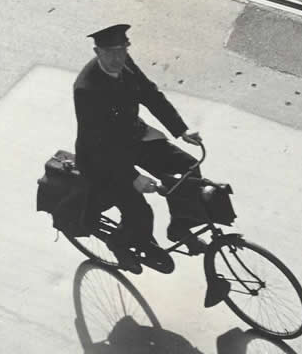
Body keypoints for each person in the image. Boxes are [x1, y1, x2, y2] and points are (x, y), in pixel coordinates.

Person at [72, 23, 205, 266]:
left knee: (188, 168)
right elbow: (98, 143)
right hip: (101, 158)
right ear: (97, 52)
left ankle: (180, 227)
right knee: (140, 212)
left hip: (133, 139)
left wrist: (181, 129)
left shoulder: (124, 63)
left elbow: (150, 95)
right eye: (110, 52)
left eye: (122, 50)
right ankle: (118, 243)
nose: (117, 58)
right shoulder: (86, 89)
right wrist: (133, 177)